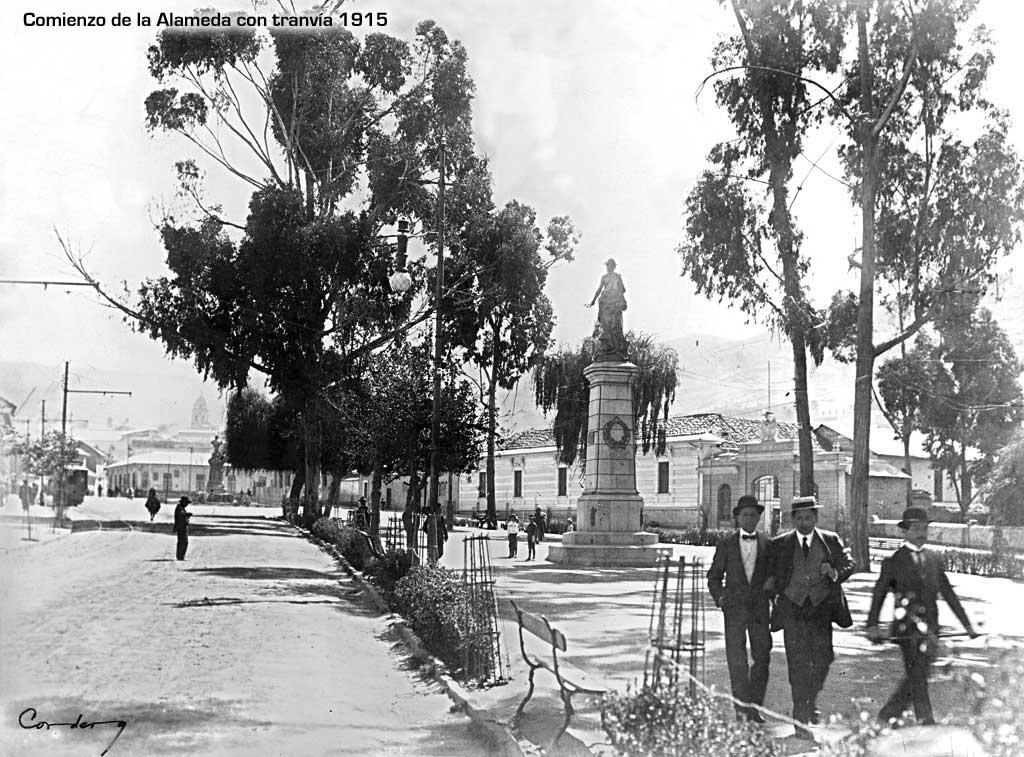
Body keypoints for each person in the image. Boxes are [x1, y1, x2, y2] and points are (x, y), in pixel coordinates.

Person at [866, 506, 979, 726]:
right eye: (916, 528)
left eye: (924, 528)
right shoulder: (894, 561)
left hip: (932, 630)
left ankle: (888, 715)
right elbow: (879, 593)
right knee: (917, 674)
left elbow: (948, 593)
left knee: (918, 675)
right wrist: (872, 625)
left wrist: (967, 625)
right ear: (904, 531)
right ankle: (925, 720)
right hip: (906, 631)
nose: (921, 533)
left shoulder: (934, 559)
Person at [767, 495, 855, 738]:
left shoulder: (830, 540)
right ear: (793, 519)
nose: (804, 522)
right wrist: (775, 594)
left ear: (816, 517)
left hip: (821, 609)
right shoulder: (780, 544)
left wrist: (835, 571)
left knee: (824, 658)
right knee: (797, 664)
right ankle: (800, 717)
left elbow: (850, 563)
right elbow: (769, 573)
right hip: (793, 610)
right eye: (800, 517)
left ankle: (810, 698)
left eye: (809, 517)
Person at [706, 494, 773, 723]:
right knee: (737, 660)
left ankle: (754, 707)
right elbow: (713, 577)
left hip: (759, 611)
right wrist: (721, 598)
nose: (749, 519)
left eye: (754, 515)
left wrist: (771, 587)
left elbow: (775, 575)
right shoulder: (726, 545)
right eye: (745, 515)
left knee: (762, 658)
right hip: (734, 610)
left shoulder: (767, 544)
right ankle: (741, 709)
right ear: (737, 518)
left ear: (758, 517)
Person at [586, 258, 628, 360]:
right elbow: (599, 289)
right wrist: (593, 301)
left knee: (615, 325)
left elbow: (623, 290)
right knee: (606, 325)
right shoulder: (604, 277)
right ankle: (608, 346)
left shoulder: (618, 277)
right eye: (607, 265)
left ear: (613, 266)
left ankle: (616, 348)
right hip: (605, 302)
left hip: (615, 301)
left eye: (609, 265)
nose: (608, 267)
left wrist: (619, 296)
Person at [173, 496, 192, 560]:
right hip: (181, 527)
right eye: (186, 503)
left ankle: (180, 556)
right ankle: (180, 556)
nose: (187, 505)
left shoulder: (181, 508)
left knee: (183, 542)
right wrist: (187, 514)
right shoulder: (179, 508)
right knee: (183, 542)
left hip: (182, 526)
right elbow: (181, 515)